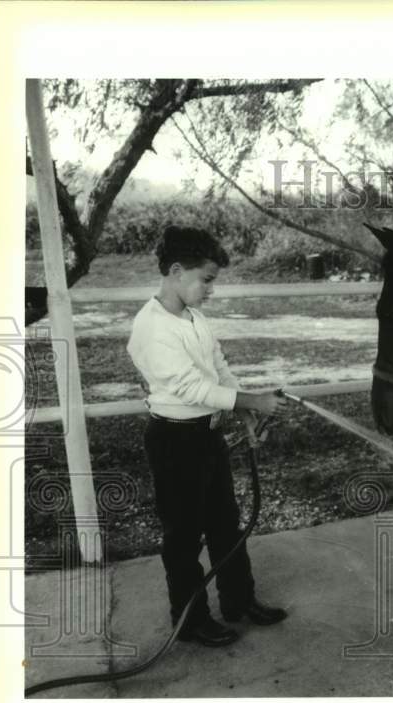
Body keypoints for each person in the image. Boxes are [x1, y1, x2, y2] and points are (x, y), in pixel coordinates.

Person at [127, 225, 289, 647]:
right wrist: (251, 401)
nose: (211, 290)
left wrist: (241, 414)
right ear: (177, 271)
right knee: (182, 535)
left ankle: (238, 600)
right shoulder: (152, 327)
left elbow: (217, 367)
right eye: (207, 280)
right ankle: (191, 620)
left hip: (207, 437)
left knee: (225, 525)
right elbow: (190, 389)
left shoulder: (194, 317)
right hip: (174, 441)